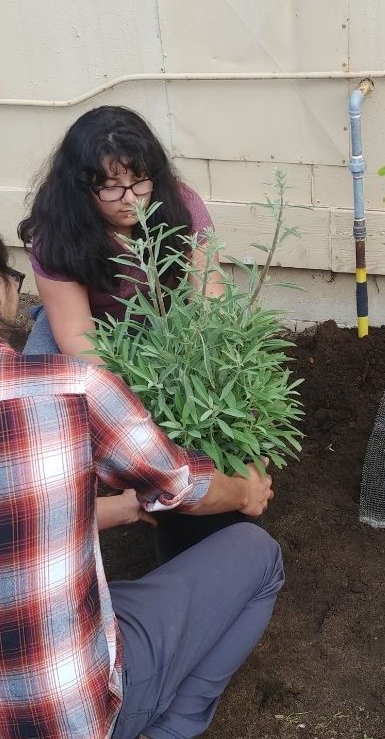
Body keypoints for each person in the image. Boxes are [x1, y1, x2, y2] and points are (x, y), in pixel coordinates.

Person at [0, 202, 283, 739]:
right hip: (74, 722)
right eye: (14, 280)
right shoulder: (70, 390)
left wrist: (108, 510)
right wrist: (245, 495)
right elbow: (183, 487)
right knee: (257, 557)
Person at [18, 105, 238, 562]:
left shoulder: (181, 204)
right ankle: (69, 507)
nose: (130, 198)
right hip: (101, 333)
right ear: (81, 185)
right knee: (35, 389)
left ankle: (202, 480)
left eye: (140, 182)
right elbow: (77, 335)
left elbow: (209, 296)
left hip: (168, 326)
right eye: (111, 186)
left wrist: (190, 369)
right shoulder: (56, 228)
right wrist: (128, 405)